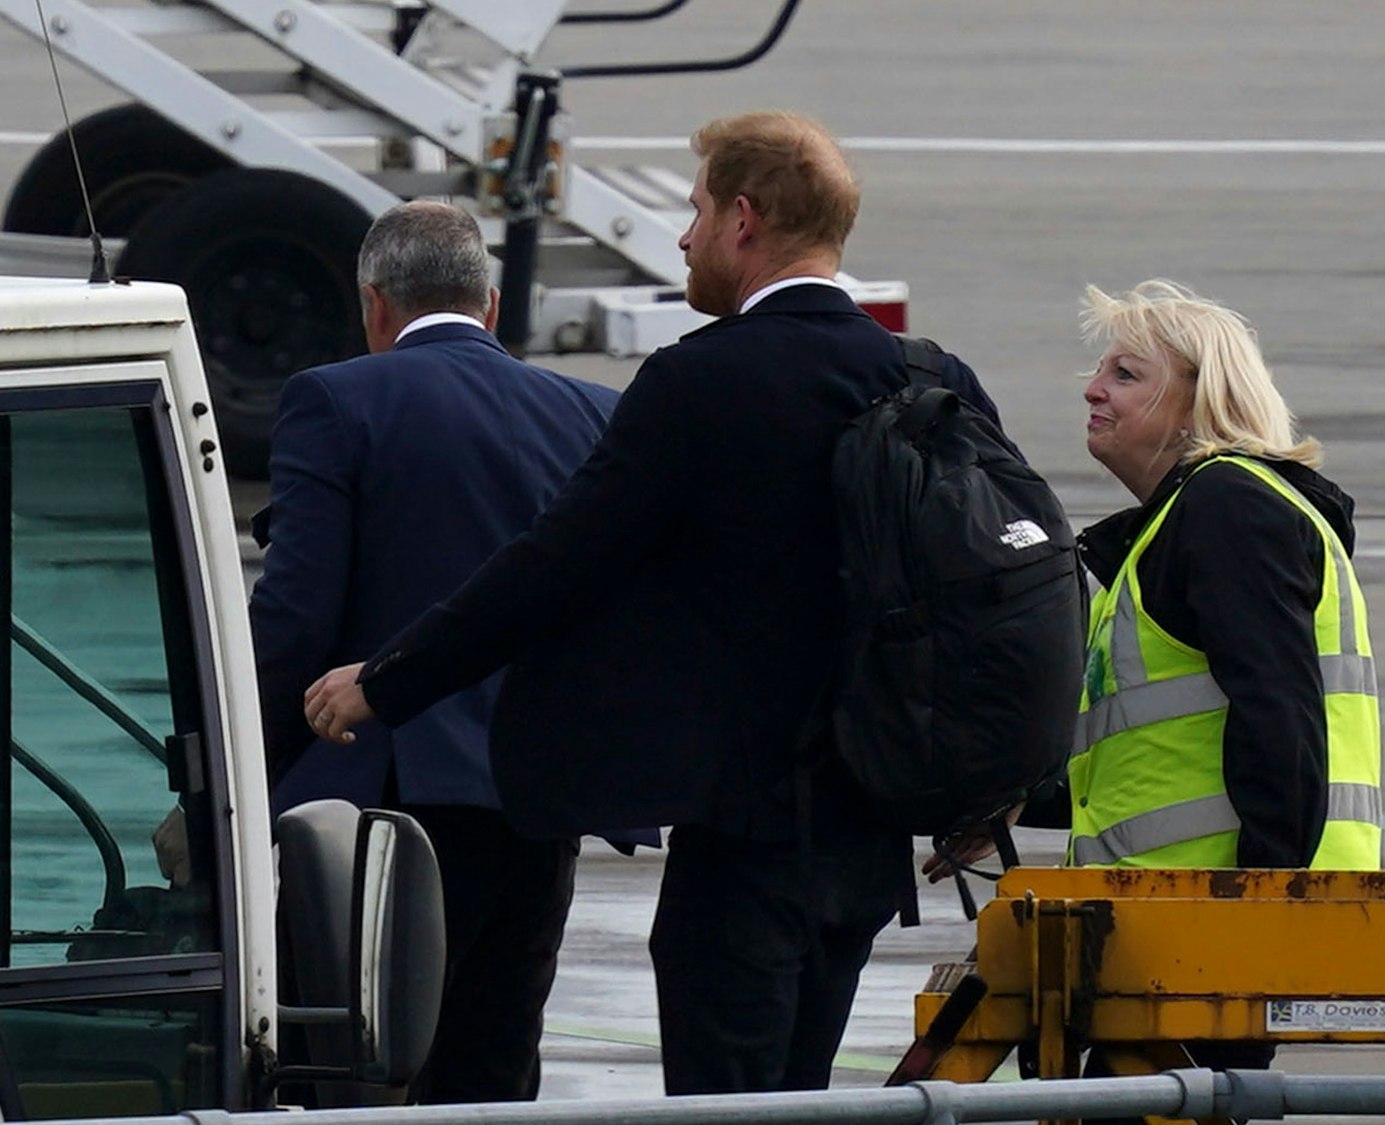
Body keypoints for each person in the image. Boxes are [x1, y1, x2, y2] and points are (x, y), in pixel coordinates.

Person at [301, 111, 1011, 1095]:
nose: (683, 238)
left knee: (729, 1109)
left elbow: (550, 568)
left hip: (747, 840)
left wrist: (385, 681)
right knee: (803, 1100)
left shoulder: (699, 382)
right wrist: (990, 785)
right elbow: (998, 590)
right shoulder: (932, 378)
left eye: (696, 212)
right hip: (868, 850)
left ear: (742, 221)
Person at [249, 200, 628, 1104]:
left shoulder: (336, 399)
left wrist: (238, 771)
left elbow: (296, 615)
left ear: (374, 304)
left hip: (387, 803)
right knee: (493, 1070)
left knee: (345, 1074)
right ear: (490, 305)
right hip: (538, 803)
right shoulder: (595, 412)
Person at [1069, 280, 1382, 1073]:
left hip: (1217, 917)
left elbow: (1279, 716)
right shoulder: (1179, 524)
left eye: (1125, 373)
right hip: (1180, 917)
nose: (1093, 388)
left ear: (1197, 403)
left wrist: (1258, 906)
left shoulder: (1226, 506)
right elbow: (1152, 748)